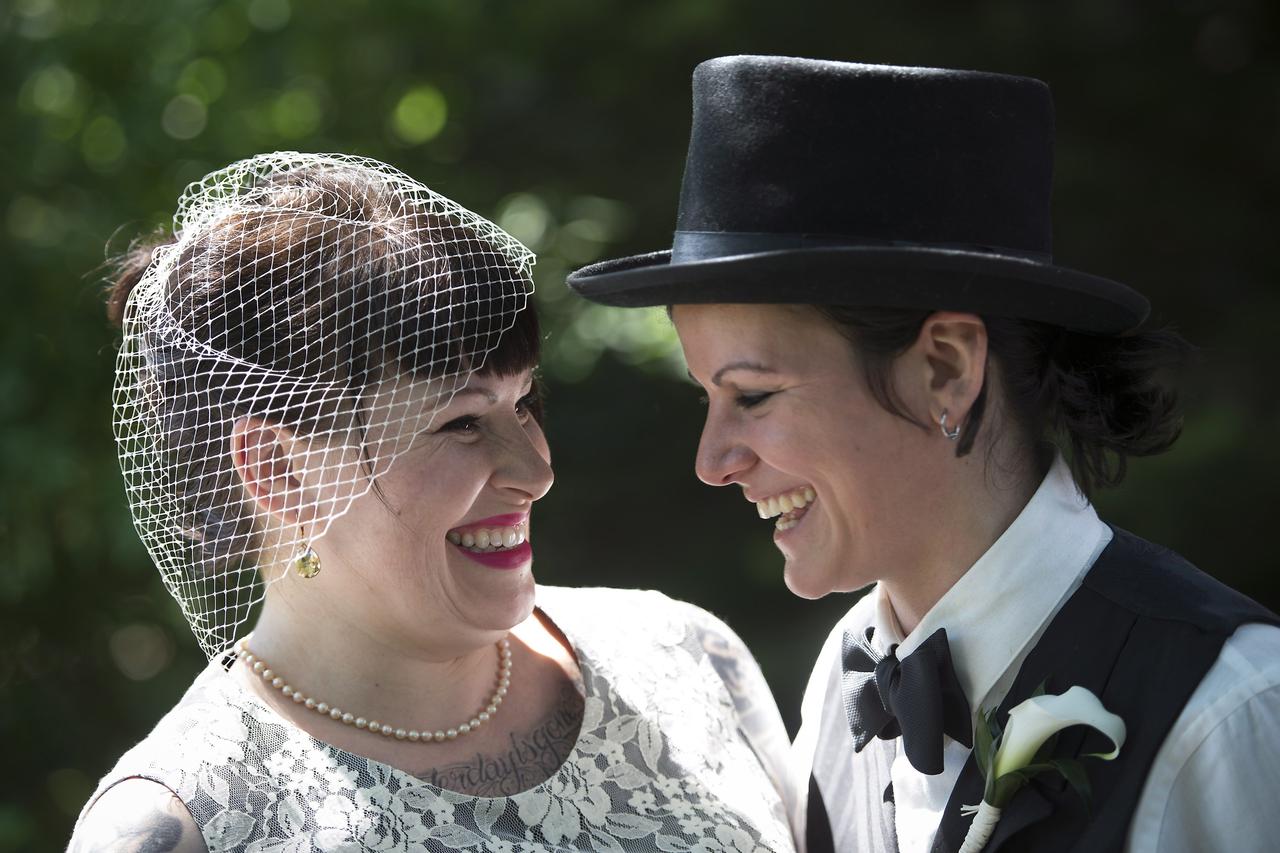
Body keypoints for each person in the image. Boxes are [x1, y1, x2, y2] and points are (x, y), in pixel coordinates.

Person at [568, 56, 1280, 852]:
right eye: (708, 397)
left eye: (755, 395)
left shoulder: (1233, 707)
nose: (713, 461)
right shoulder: (845, 679)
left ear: (945, 367)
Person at [71, 153, 794, 852]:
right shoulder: (186, 825)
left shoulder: (687, 656)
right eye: (461, 423)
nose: (535, 469)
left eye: (526, 403)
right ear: (278, 470)